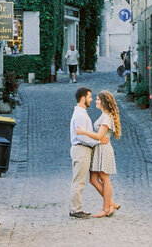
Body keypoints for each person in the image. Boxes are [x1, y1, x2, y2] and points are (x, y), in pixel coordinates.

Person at [77, 90, 121, 218]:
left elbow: (99, 135)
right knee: (93, 179)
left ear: (104, 102)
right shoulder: (103, 115)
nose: (95, 101)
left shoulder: (107, 117)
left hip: (104, 149)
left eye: (97, 99)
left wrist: (83, 132)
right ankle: (111, 203)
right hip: (98, 149)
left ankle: (106, 208)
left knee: (104, 178)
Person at [69, 86, 96, 218]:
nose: (91, 99)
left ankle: (76, 208)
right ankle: (75, 209)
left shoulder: (81, 113)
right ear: (83, 98)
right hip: (81, 148)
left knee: (79, 180)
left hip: (81, 149)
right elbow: (82, 137)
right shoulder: (80, 115)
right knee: (79, 181)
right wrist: (97, 142)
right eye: (90, 97)